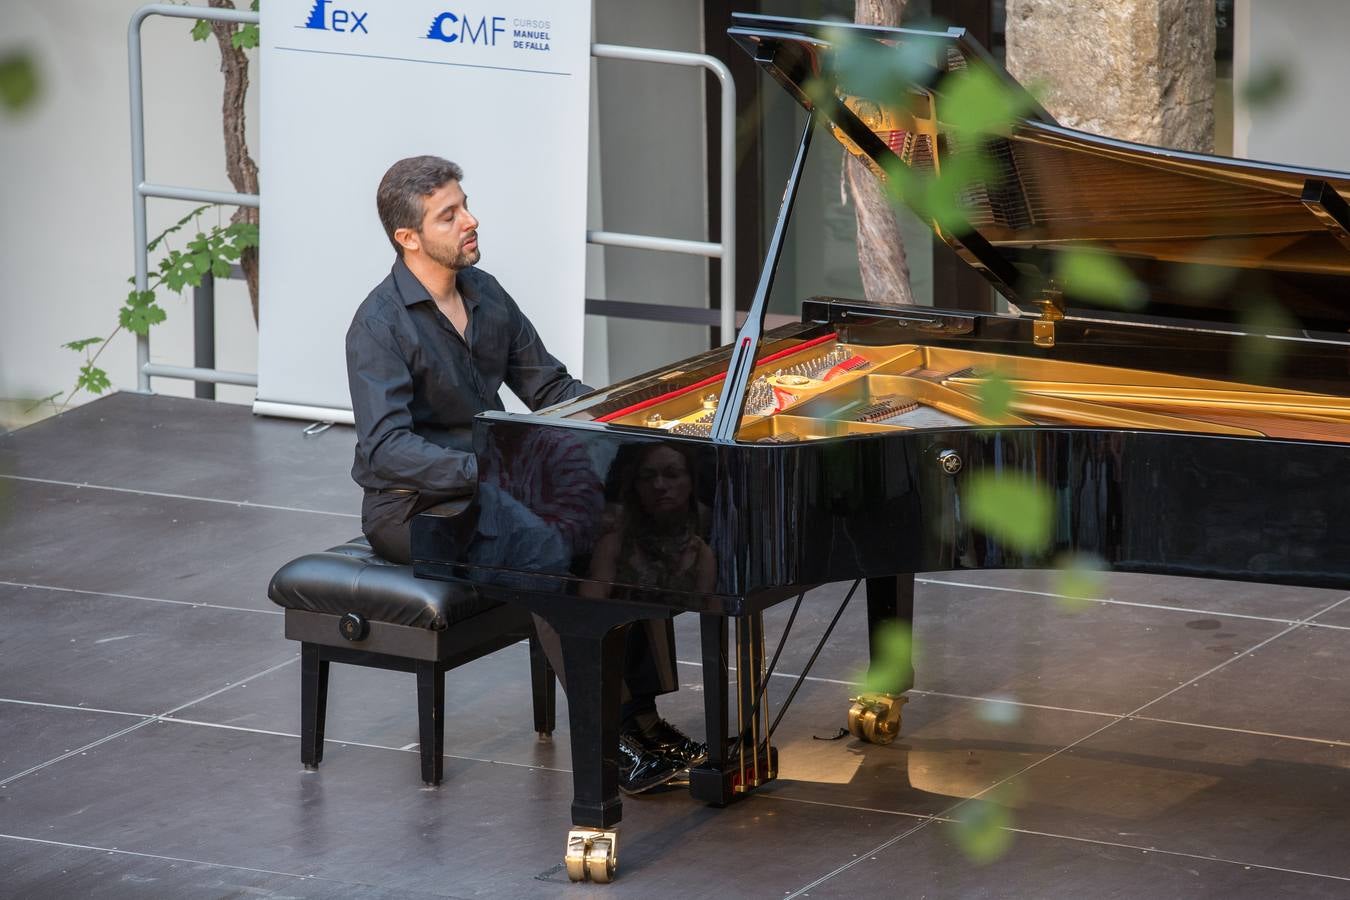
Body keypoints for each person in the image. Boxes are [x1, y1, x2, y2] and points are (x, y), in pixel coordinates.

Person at [344, 155, 701, 793]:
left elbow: (552, 387)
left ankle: (644, 717)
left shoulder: (485, 293)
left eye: (464, 205)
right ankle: (609, 741)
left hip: (496, 481)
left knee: (629, 523)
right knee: (549, 548)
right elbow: (385, 450)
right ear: (408, 237)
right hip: (414, 506)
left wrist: (629, 423)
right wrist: (498, 470)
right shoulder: (378, 325)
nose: (470, 221)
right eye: (448, 215)